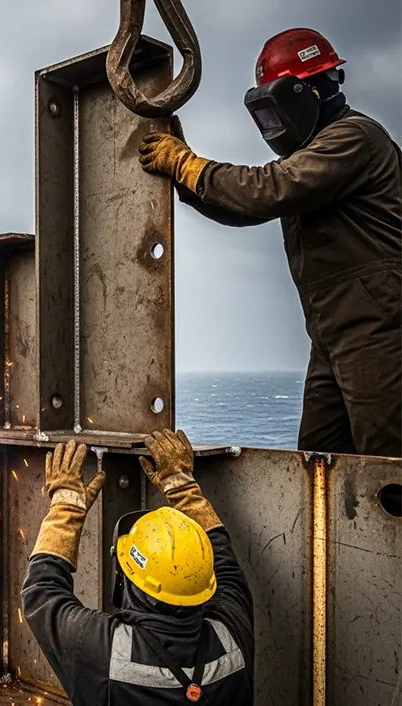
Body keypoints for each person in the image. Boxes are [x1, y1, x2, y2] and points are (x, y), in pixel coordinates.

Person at [138, 28, 402, 458]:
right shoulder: (310, 158)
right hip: (330, 334)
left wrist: (190, 166)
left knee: (386, 463)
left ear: (306, 92)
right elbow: (248, 207)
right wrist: (186, 180)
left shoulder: (355, 138)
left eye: (274, 110)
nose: (273, 124)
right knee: (318, 457)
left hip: (378, 328)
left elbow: (269, 189)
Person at [22, 430, 254, 705]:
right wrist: (184, 489)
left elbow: (40, 592)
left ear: (126, 580)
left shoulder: (102, 650)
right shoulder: (233, 629)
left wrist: (66, 509)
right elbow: (224, 563)